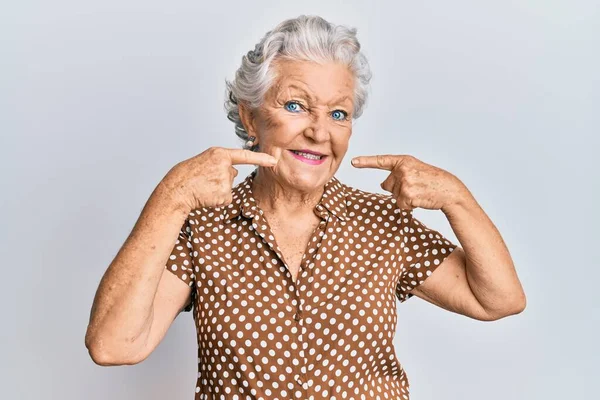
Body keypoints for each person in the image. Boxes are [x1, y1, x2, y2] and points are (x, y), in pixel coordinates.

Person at [85, 15, 526, 400]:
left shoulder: (383, 223)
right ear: (249, 116)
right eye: (296, 106)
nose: (319, 132)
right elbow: (114, 345)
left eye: (339, 113)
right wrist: (172, 194)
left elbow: (498, 300)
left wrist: (455, 197)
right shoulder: (201, 228)